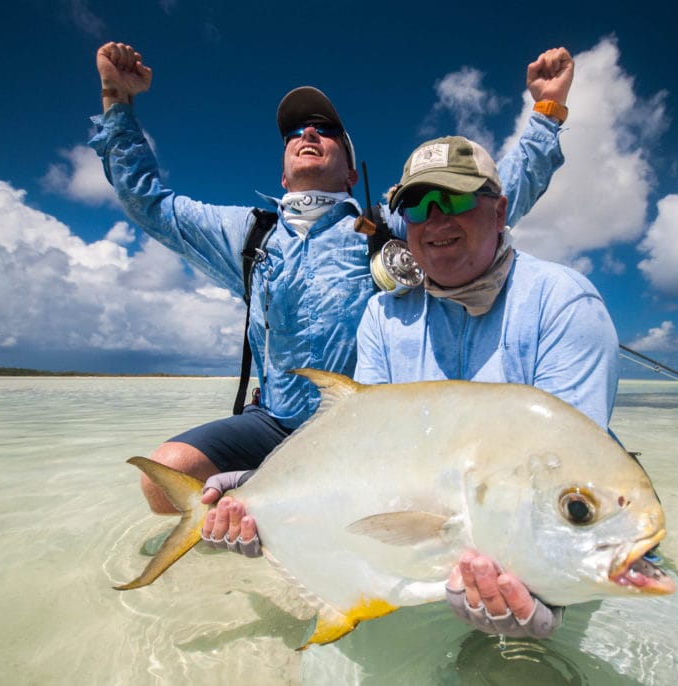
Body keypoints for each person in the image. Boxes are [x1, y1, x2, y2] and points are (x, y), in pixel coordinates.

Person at [91, 42, 575, 515]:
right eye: (295, 133)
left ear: (349, 173)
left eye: (326, 131)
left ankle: (283, 512)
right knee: (163, 475)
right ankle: (254, 524)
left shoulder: (389, 225)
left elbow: (487, 201)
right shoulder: (248, 234)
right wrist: (118, 103)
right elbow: (150, 204)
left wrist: (546, 113)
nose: (308, 134)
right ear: (283, 175)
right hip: (273, 420)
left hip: (359, 427)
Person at [204, 135, 619, 640]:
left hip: (555, 545)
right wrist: (258, 487)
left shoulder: (562, 303)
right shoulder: (383, 316)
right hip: (431, 553)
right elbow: (363, 449)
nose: (437, 218)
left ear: (500, 210)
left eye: (458, 198)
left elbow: (571, 467)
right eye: (418, 206)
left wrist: (552, 597)